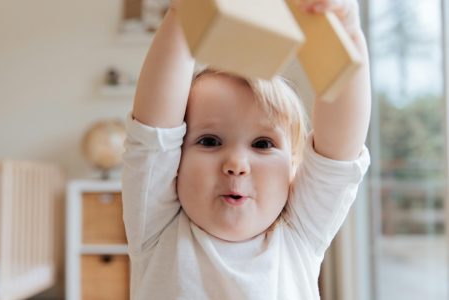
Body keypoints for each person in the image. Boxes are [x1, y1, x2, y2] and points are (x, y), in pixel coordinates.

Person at [122, 0, 371, 299]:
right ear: (175, 162)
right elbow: (153, 134)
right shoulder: (158, 227)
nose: (236, 163)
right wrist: (185, 11)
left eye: (262, 144)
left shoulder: (299, 232)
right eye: (210, 141)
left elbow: (339, 151)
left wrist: (348, 32)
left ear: (293, 167)